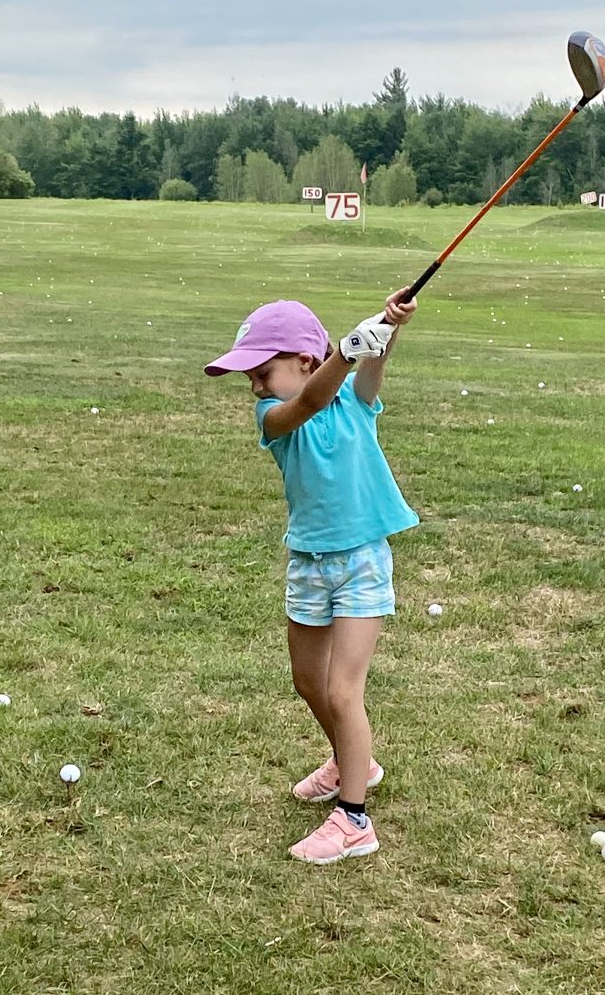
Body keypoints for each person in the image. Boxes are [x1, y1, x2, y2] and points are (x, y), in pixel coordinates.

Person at [204, 288, 419, 864]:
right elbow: (303, 407)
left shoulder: (354, 397)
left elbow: (368, 371)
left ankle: (354, 820)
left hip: (362, 561)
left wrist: (387, 328)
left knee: (342, 689)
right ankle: (356, 764)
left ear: (304, 361)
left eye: (261, 372)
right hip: (309, 562)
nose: (253, 386)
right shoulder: (274, 416)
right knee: (308, 683)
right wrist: (345, 355)